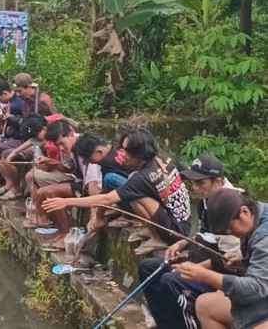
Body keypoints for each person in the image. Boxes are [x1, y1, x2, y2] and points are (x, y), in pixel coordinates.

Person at [43, 128, 191, 255]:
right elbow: (185, 174)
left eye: (127, 151)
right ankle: (152, 229)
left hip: (175, 232)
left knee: (135, 196)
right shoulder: (164, 157)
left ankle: (159, 238)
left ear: (139, 153)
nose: (122, 154)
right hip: (183, 221)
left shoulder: (141, 178)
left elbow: (106, 199)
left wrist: (66, 201)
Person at [139, 154, 241, 329]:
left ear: (217, 182)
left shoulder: (231, 206)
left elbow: (226, 260)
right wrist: (182, 243)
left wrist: (195, 269)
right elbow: (204, 234)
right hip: (198, 260)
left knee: (171, 280)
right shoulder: (206, 202)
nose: (194, 187)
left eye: (200, 183)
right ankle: (167, 324)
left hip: (219, 272)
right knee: (148, 267)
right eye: (192, 182)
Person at [173, 189, 268, 329]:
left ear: (245, 212)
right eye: (224, 231)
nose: (228, 232)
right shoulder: (258, 215)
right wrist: (243, 261)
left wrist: (205, 276)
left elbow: (255, 289)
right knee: (204, 305)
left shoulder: (264, 237)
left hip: (261, 295)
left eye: (229, 226)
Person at [33, 119, 104, 249]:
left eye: (62, 143)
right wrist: (50, 162)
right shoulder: (67, 147)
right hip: (81, 183)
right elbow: (68, 168)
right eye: (57, 145)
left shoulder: (85, 148)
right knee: (42, 192)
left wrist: (94, 215)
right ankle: (62, 231)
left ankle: (66, 233)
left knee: (49, 192)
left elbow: (93, 184)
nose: (61, 148)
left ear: (71, 133)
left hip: (95, 187)